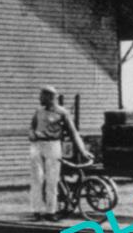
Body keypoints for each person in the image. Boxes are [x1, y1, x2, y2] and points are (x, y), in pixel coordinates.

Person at [28, 84, 91, 221]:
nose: (39, 98)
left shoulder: (62, 113)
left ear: (50, 97)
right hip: (36, 145)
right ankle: (36, 211)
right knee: (36, 178)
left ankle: (50, 212)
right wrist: (31, 134)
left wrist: (83, 151)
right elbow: (32, 127)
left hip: (53, 145)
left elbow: (74, 133)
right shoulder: (38, 111)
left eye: (42, 96)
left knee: (52, 179)